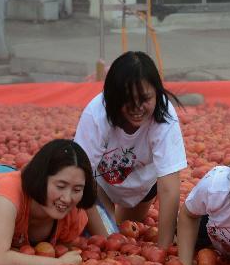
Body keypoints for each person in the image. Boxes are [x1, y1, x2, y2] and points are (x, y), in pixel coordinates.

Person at [74, 51, 187, 249]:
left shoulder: (164, 116)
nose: (136, 108)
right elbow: (80, 176)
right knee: (110, 240)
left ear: (157, 93)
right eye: (127, 100)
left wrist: (163, 249)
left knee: (126, 230)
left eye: (145, 99)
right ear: (113, 97)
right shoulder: (96, 114)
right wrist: (108, 239)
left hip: (144, 185)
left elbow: (169, 186)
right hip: (99, 185)